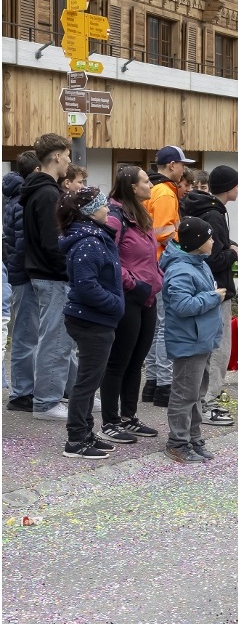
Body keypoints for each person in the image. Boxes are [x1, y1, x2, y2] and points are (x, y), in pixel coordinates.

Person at [57, 188, 123, 459]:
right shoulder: (88, 242)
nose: (108, 210)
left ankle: (86, 431)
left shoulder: (94, 237)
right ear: (91, 211)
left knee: (90, 380)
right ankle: (76, 439)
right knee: (87, 382)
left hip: (96, 319)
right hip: (91, 320)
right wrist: (115, 305)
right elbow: (86, 286)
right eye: (103, 206)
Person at [99, 166, 163, 443]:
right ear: (132, 187)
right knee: (118, 361)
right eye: (146, 182)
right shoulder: (115, 218)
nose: (151, 186)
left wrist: (155, 278)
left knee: (136, 361)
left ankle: (129, 416)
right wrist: (134, 284)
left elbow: (148, 255)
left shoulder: (140, 213)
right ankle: (110, 421)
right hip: (129, 296)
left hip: (147, 297)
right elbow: (110, 260)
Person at [180, 165, 238, 426]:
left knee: (211, 347)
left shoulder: (206, 210)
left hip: (209, 289)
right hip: (216, 290)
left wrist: (233, 247)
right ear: (229, 187)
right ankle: (208, 400)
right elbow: (214, 258)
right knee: (218, 348)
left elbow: (215, 248)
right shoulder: (215, 215)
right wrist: (235, 254)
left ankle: (206, 398)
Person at [160, 217, 226, 463]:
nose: (213, 241)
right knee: (184, 393)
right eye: (209, 238)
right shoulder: (180, 269)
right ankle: (177, 442)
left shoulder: (199, 263)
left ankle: (193, 437)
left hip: (202, 340)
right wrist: (213, 298)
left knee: (197, 393)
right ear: (198, 243)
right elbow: (181, 305)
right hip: (189, 341)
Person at [23, 133, 75, 421]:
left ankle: (69, 394)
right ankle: (46, 402)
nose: (69, 160)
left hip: (45, 273)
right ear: (56, 156)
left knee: (59, 338)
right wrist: (69, 268)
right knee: (55, 339)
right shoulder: (47, 193)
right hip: (53, 275)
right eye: (67, 154)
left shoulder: (41, 190)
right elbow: (52, 241)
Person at [143, 145, 196, 409]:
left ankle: (152, 382)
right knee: (165, 327)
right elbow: (163, 232)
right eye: (183, 165)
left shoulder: (152, 188)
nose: (184, 170)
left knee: (156, 327)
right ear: (172, 165)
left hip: (151, 263)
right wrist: (182, 240)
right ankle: (163, 384)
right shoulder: (165, 192)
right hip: (163, 262)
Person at [4, 150, 40, 411]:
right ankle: (21, 393)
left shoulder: (17, 197)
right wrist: (26, 270)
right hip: (25, 275)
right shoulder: (22, 201)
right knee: (26, 334)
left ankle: (24, 388)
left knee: (27, 332)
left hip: (20, 272)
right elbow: (19, 243)